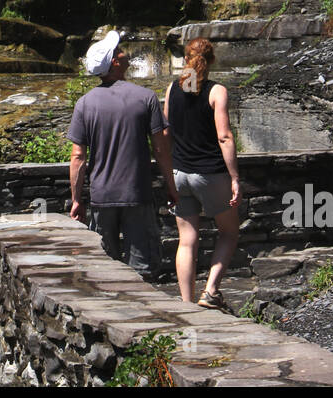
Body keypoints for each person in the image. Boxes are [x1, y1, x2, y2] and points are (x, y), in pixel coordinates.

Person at [67, 30, 179, 279]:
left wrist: (76, 199)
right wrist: (172, 187)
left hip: (101, 196)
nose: (125, 53)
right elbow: (161, 149)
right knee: (143, 270)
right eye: (119, 51)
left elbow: (78, 157)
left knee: (103, 269)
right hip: (137, 195)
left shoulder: (84, 104)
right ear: (115, 63)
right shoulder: (145, 97)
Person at [164, 37, 240, 310]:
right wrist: (234, 177)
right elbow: (224, 137)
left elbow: (166, 132)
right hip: (210, 172)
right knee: (229, 232)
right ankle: (210, 291)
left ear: (186, 59)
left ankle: (185, 304)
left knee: (187, 240)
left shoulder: (172, 89)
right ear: (211, 61)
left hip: (179, 173)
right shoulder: (216, 91)